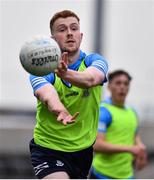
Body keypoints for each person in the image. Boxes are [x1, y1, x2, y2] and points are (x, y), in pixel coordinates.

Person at [29, 10, 108, 179]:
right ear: (53, 39)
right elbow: (46, 93)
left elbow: (91, 78)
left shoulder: (94, 61)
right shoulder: (42, 68)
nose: (69, 33)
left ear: (81, 35)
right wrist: (59, 110)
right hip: (48, 148)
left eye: (74, 28)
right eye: (62, 29)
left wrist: (65, 74)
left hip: (82, 150)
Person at [90, 69, 147, 179]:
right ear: (109, 86)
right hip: (102, 175)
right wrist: (130, 149)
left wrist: (141, 150)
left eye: (126, 83)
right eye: (118, 83)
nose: (122, 87)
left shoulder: (132, 112)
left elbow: (135, 136)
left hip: (127, 176)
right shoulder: (104, 111)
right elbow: (97, 145)